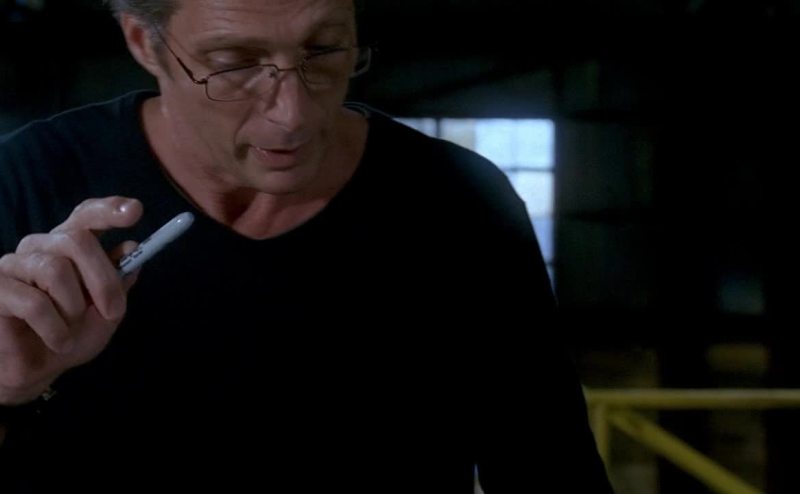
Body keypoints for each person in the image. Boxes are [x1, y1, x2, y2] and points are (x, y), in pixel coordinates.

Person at [0, 0, 613, 492]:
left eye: (323, 50)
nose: (292, 115)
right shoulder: (31, 179)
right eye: (234, 64)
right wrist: (10, 389)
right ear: (144, 42)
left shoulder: (458, 200)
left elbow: (549, 465)